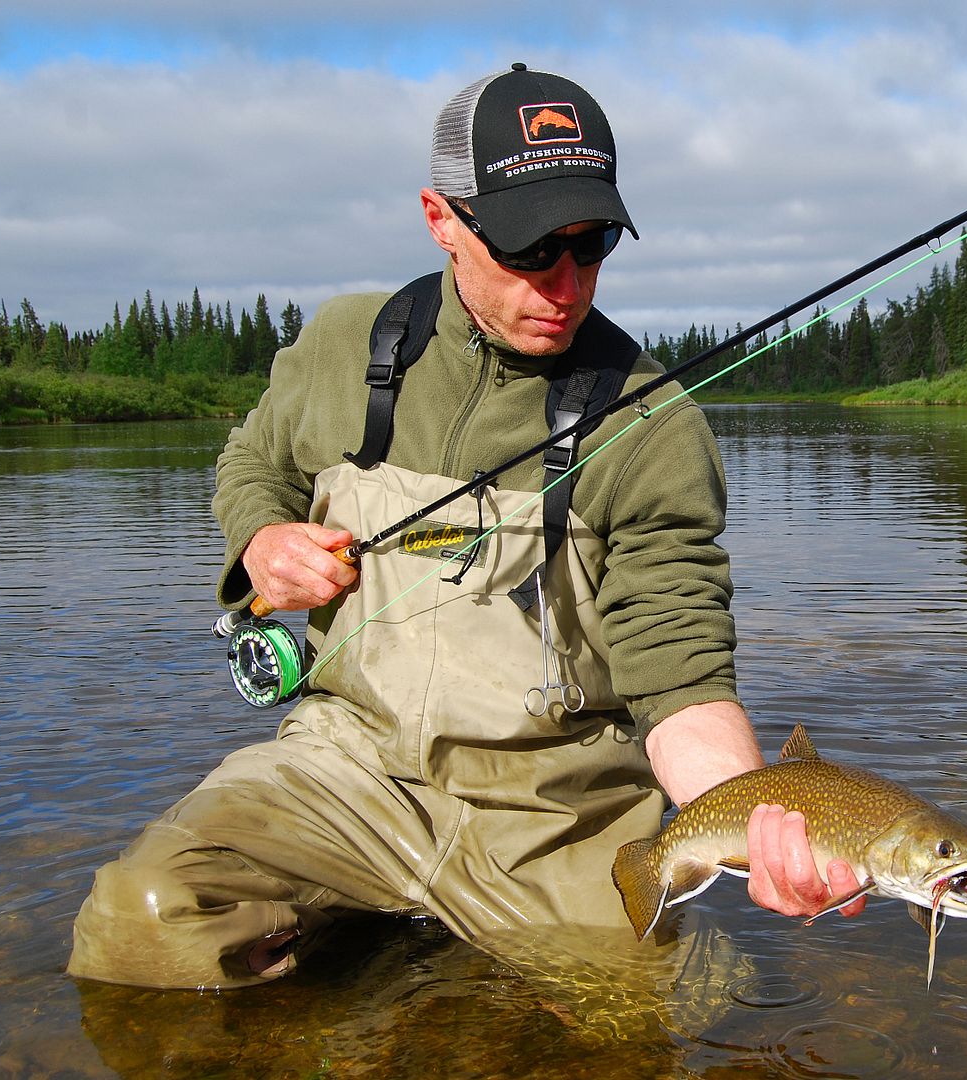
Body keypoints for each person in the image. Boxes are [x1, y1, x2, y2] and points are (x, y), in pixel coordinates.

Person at [67, 63, 862, 990]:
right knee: (140, 921)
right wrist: (261, 541)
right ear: (442, 218)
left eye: (592, 244)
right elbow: (253, 461)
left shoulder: (654, 427)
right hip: (345, 770)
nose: (566, 284)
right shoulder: (342, 346)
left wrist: (753, 821)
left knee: (647, 1019)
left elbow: (677, 667)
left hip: (550, 813)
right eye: (531, 247)